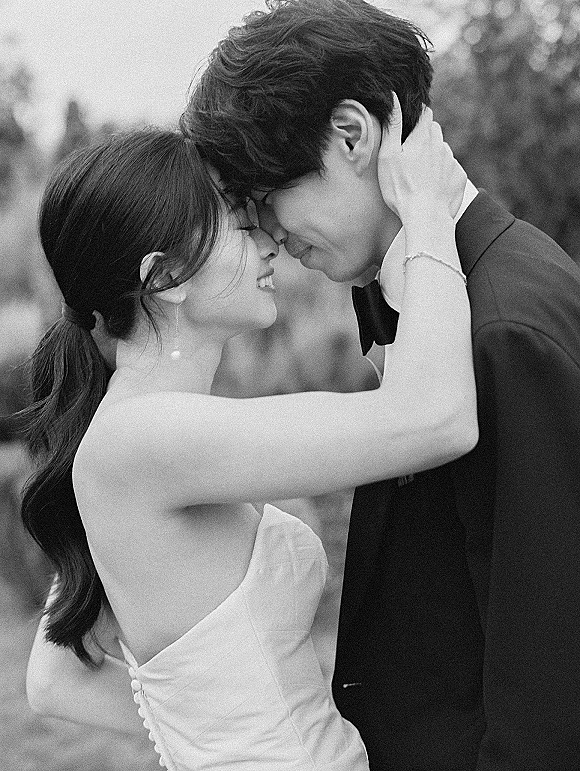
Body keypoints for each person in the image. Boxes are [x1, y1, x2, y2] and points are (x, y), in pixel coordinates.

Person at [182, 1, 580, 769]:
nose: (272, 236)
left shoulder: (506, 331)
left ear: (352, 135)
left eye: (268, 196)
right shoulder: (429, 301)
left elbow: (552, 690)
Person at [23, 101, 476, 770]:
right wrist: (428, 210)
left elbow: (53, 678)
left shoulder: (133, 433)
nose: (268, 241)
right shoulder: (144, 439)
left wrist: (217, 732)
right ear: (164, 278)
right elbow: (436, 418)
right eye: (239, 225)